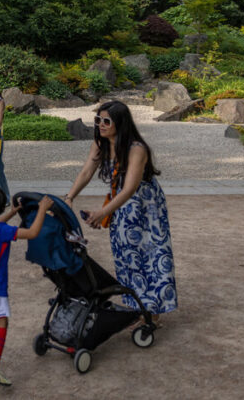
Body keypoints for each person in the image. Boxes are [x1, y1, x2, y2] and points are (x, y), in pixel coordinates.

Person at [63, 100, 177, 326]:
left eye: (106, 121)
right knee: (126, 252)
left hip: (145, 206)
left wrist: (101, 212)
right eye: (98, 120)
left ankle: (153, 311)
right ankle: (137, 305)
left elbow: (130, 188)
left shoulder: (136, 148)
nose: (101, 125)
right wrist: (69, 197)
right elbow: (86, 172)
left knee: (151, 254)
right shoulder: (100, 143)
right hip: (120, 202)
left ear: (120, 124)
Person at [0, 184, 54, 387]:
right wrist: (42, 209)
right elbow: (32, 233)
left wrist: (12, 212)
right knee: (1, 321)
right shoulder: (1, 231)